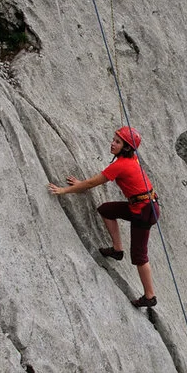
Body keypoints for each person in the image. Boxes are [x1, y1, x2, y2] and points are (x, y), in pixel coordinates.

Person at [47, 126, 159, 307]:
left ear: (126, 148)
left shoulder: (121, 165)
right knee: (106, 210)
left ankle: (149, 296)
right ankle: (117, 249)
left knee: (140, 257)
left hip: (143, 212)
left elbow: (92, 183)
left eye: (117, 142)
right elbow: (90, 183)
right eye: (114, 139)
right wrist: (81, 184)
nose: (112, 143)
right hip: (144, 206)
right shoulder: (131, 159)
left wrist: (64, 190)